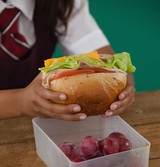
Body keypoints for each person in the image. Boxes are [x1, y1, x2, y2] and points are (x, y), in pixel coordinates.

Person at [0, 0, 135, 120]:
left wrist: (123, 87)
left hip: (41, 123)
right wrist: (20, 102)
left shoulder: (62, 3)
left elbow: (102, 56)